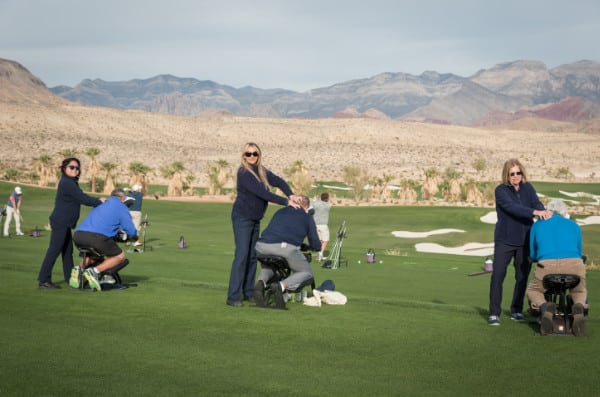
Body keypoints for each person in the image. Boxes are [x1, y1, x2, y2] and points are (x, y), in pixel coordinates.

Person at [226, 142, 302, 307]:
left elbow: (279, 181)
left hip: (255, 219)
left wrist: (291, 194)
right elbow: (263, 194)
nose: (252, 157)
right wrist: (286, 201)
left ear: (259, 155)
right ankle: (233, 296)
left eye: (255, 154)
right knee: (242, 256)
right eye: (248, 154)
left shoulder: (262, 171)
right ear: (243, 156)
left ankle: (248, 293)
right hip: (242, 218)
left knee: (253, 256)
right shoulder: (244, 173)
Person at [488, 158, 551, 326]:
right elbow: (512, 208)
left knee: (522, 277)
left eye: (518, 173)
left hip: (525, 240)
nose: (516, 176)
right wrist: (534, 211)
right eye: (512, 174)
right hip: (505, 240)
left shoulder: (528, 187)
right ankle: (494, 313)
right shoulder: (500, 190)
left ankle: (516, 310)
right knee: (498, 276)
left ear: (522, 173)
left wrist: (543, 211)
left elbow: (535, 202)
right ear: (506, 175)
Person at [37, 158, 105, 289]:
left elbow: (80, 196)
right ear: (64, 168)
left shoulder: (71, 182)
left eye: (77, 168)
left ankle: (71, 280)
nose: (75, 170)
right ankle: (44, 280)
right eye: (71, 167)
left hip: (65, 222)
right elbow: (82, 198)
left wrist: (97, 201)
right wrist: (98, 201)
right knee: (54, 250)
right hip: (61, 222)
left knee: (67, 252)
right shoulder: (67, 182)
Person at [526, 199, 587, 336]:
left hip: (547, 266)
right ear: (564, 211)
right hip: (574, 265)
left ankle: (545, 306)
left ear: (548, 210)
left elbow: (533, 253)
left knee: (533, 290)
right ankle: (579, 307)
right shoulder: (574, 225)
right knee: (579, 290)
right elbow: (578, 251)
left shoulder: (538, 225)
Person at [254, 195, 321, 308]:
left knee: (270, 266)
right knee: (307, 273)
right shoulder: (306, 216)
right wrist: (309, 247)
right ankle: (280, 286)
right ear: (306, 207)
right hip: (284, 248)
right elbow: (316, 244)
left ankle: (261, 282)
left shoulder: (280, 211)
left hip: (261, 246)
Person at [72, 188, 138, 291]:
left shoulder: (101, 203)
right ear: (123, 198)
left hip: (78, 235)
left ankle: (78, 270)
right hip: (95, 237)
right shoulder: (121, 207)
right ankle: (94, 271)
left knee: (94, 256)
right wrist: (134, 236)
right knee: (120, 256)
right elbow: (131, 231)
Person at [312, 191, 332, 261]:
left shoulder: (315, 204)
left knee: (320, 240)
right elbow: (329, 203)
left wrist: (315, 199)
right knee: (326, 240)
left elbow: (312, 205)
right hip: (323, 225)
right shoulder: (328, 205)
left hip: (315, 224)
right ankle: (320, 253)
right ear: (327, 198)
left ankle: (319, 254)